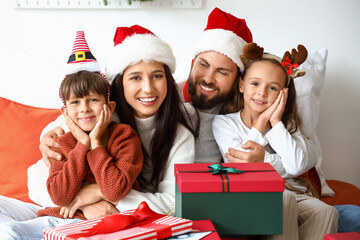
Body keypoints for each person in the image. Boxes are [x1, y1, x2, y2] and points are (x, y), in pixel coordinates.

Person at [9, 25, 195, 224]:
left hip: (130, 221)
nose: (148, 88)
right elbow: (36, 179)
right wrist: (83, 203)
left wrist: (98, 193)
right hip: (72, 216)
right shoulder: (92, 116)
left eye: (157, 76)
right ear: (119, 82)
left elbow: (174, 204)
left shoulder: (180, 136)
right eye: (135, 77)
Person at [0, 31, 143, 239]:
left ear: (110, 107)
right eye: (75, 102)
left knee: (10, 233)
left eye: (92, 100)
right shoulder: (65, 141)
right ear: (65, 112)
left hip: (95, 224)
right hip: (60, 217)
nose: (84, 109)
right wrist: (82, 145)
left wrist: (95, 143)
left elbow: (114, 190)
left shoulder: (124, 137)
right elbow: (59, 196)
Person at [212, 42, 339, 240]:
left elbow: (297, 165)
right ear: (241, 85)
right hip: (252, 194)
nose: (262, 93)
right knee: (284, 200)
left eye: (272, 88)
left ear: (283, 94)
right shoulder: (224, 123)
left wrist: (274, 123)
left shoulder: (287, 126)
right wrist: (261, 123)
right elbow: (241, 163)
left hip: (292, 192)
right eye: (255, 83)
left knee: (326, 211)